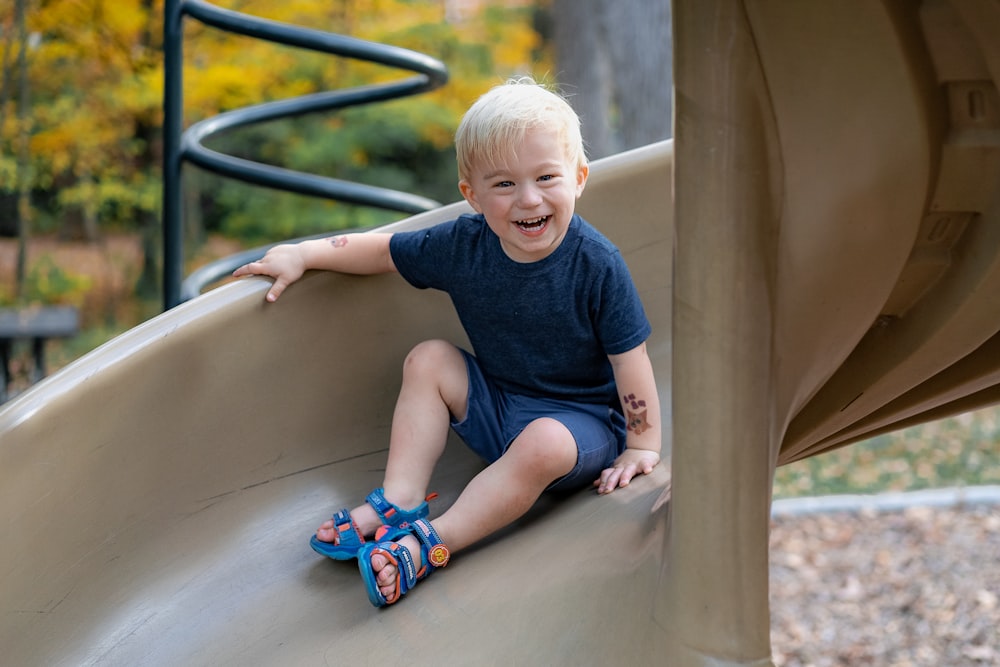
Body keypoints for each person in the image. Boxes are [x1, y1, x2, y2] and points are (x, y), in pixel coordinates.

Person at [233, 77, 662, 607]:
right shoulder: (463, 244)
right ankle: (400, 500)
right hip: (501, 406)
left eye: (546, 177)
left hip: (578, 429)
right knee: (430, 358)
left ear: (578, 178)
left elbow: (630, 358)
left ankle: (432, 542)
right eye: (503, 184)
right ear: (471, 195)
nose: (528, 199)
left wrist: (642, 444)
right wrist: (305, 254)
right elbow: (386, 251)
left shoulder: (597, 263)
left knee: (544, 442)